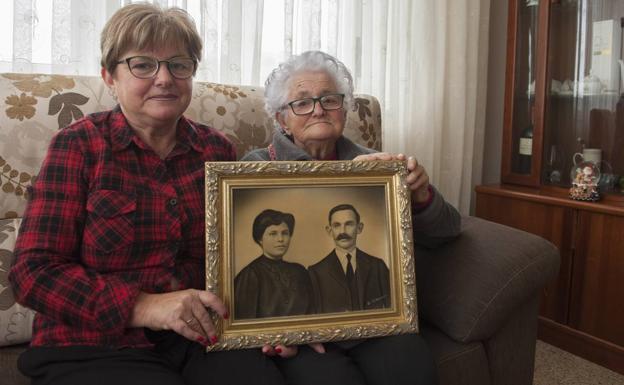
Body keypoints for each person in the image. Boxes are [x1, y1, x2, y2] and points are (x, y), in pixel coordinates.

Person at [9, 4, 286, 385]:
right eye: (142, 65)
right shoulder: (78, 146)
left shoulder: (217, 151)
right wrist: (145, 307)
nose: (164, 78)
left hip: (197, 335)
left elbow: (236, 259)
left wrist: (278, 320)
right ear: (110, 76)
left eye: (179, 64)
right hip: (91, 342)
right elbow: (32, 273)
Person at [242, 50, 461, 385]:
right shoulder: (251, 170)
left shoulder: (378, 166)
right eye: (302, 102)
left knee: (412, 365)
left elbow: (447, 231)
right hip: (303, 334)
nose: (318, 109)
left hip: (377, 324)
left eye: (330, 99)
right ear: (281, 118)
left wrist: (421, 195)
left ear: (344, 109)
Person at [309, 204, 389, 313]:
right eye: (337, 225)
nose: (343, 231)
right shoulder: (316, 272)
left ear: (359, 228)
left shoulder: (378, 266)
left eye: (349, 224)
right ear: (329, 230)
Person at [234, 209, 314, 319]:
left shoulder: (300, 271)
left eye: (285, 233)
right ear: (260, 239)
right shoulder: (250, 275)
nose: (281, 239)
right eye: (273, 234)